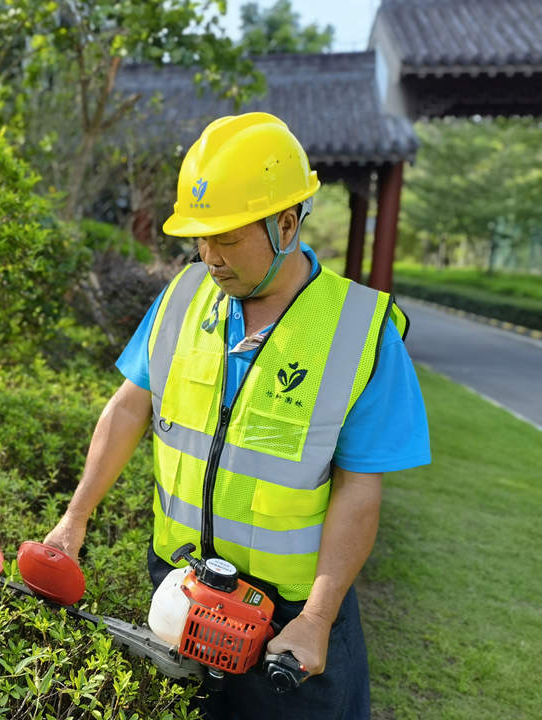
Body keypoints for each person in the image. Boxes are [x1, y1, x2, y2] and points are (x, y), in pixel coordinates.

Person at [43, 112, 430, 719]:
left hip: (288, 622)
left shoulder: (362, 332)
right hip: (179, 588)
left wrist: (319, 619)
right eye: (200, 237)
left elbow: (360, 489)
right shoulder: (181, 296)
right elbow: (128, 408)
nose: (209, 256)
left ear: (285, 223)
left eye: (226, 237)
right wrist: (75, 518)